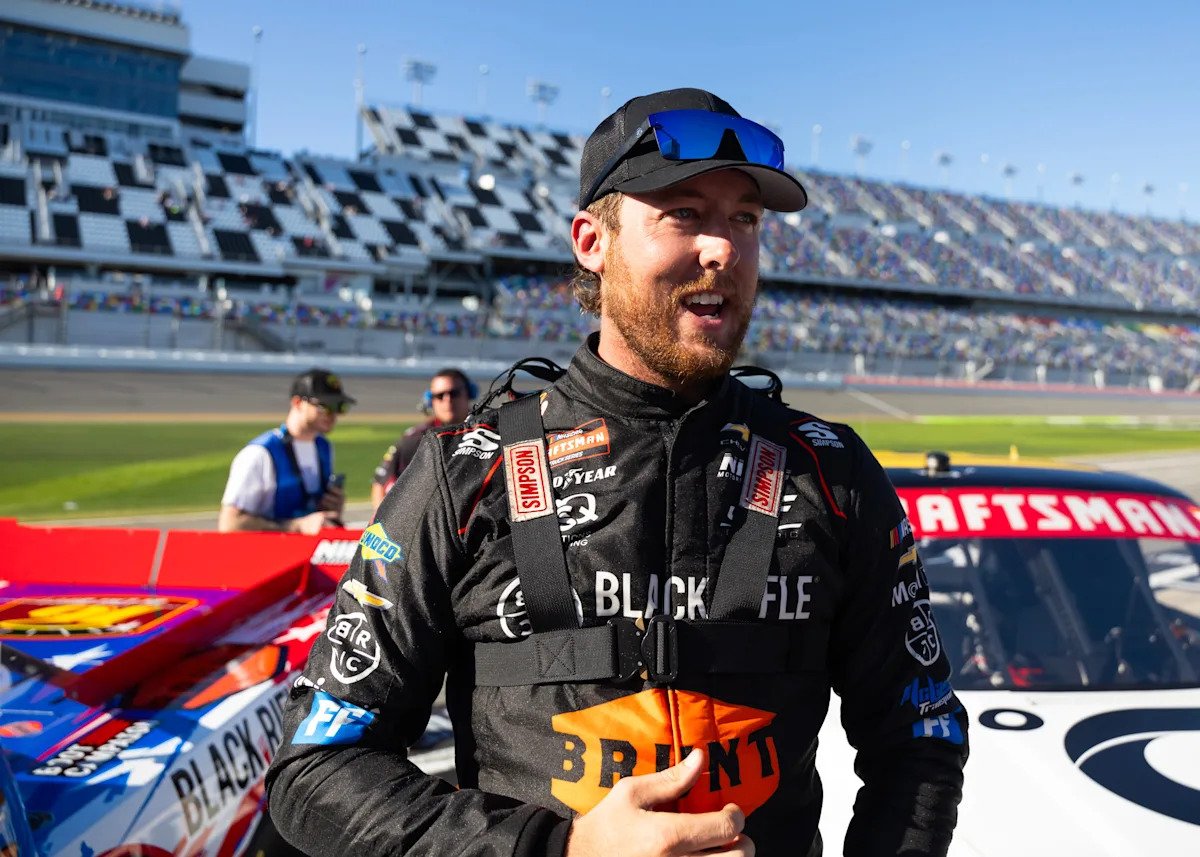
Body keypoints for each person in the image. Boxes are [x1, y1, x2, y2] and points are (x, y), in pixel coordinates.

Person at [267, 88, 968, 856]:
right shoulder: (465, 471)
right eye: (684, 213)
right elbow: (315, 766)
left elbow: (921, 738)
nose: (724, 249)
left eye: (745, 219)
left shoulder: (831, 471)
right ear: (591, 241)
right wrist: (557, 849)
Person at [218, 367, 354, 534]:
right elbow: (230, 524)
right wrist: (296, 526)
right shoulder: (260, 453)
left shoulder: (324, 447)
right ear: (297, 403)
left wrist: (330, 508)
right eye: (324, 406)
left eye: (339, 407)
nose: (332, 414)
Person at [370, 367, 476, 515]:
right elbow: (380, 484)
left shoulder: (488, 432)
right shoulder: (415, 439)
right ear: (431, 401)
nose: (447, 400)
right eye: (439, 396)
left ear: (469, 393)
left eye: (454, 393)